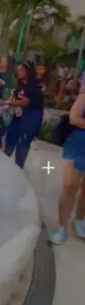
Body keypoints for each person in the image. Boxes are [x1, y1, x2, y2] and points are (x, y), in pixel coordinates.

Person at [49, 81, 85, 244]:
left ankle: (79, 220)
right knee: (69, 185)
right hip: (78, 145)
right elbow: (74, 118)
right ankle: (61, 227)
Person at [4, 62, 43, 168]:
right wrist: (7, 103)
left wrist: (11, 103)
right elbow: (14, 98)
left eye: (21, 70)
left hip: (30, 117)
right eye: (17, 70)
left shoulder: (34, 86)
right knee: (10, 140)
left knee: (23, 143)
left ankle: (18, 167)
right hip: (17, 117)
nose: (19, 73)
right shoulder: (19, 86)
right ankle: (3, 163)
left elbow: (25, 102)